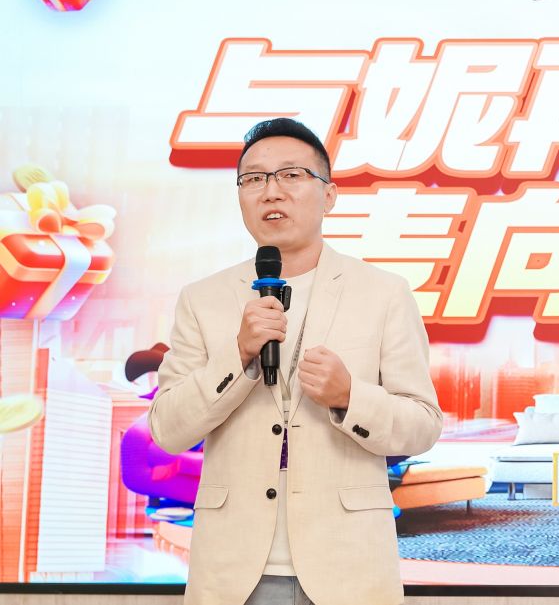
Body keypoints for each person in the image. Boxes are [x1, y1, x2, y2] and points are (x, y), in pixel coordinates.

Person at [149, 118, 442, 605]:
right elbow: (167, 429)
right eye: (254, 179)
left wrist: (350, 397)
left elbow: (423, 425)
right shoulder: (202, 299)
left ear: (329, 195)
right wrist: (238, 355)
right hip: (233, 570)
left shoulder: (384, 293)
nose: (271, 191)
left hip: (348, 567)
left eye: (291, 175)